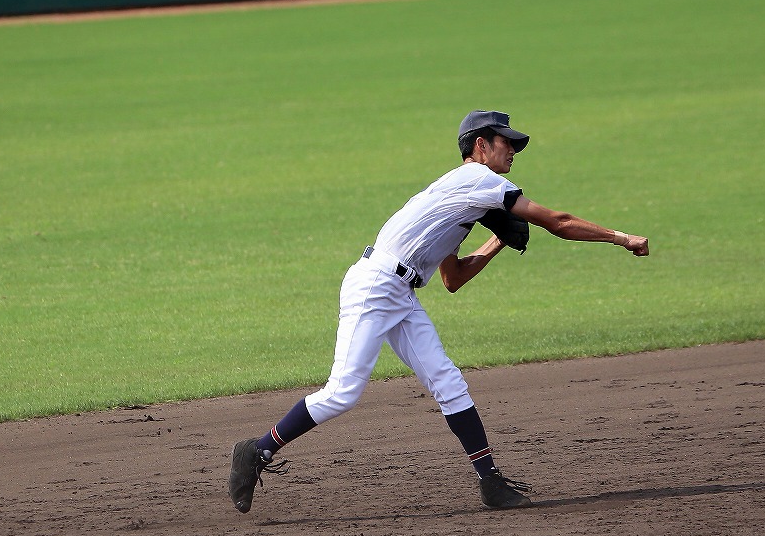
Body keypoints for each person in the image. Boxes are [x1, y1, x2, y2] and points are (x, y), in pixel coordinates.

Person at [228, 109, 650, 514]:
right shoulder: (477, 179)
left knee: (448, 380)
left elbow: (452, 278)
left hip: (400, 293)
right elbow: (558, 220)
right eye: (508, 143)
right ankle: (258, 448)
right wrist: (621, 237)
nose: (514, 151)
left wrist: (497, 242)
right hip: (375, 286)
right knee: (343, 391)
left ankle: (491, 482)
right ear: (480, 146)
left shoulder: (462, 202)